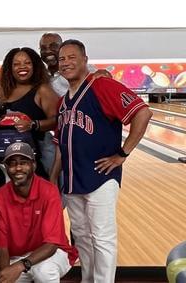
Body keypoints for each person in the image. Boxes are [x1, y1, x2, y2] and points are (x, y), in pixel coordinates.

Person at [50, 39, 152, 282]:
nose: (66, 63)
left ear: (85, 60)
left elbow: (143, 112)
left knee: (102, 238)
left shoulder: (103, 86)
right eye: (62, 59)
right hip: (73, 182)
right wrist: (54, 177)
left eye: (72, 57)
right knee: (83, 237)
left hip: (101, 178)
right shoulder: (63, 102)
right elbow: (60, 146)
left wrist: (122, 154)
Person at [0, 142, 77, 283]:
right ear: (6, 167)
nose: (18, 168)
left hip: (54, 253)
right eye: (12, 163)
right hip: (19, 257)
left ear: (33, 165)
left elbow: (51, 245)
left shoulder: (49, 191)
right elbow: (1, 246)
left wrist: (20, 266)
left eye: (24, 162)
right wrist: (5, 275)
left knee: (43, 271)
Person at [0, 47, 59, 178]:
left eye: (27, 63)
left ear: (35, 66)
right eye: (16, 64)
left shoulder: (42, 90)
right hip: (7, 156)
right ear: (9, 68)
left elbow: (58, 119)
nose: (22, 67)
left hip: (37, 157)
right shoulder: (6, 91)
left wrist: (33, 124)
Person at [39, 32, 111, 97]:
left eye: (53, 46)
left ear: (62, 48)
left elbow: (103, 78)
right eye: (43, 48)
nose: (47, 51)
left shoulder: (84, 69)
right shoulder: (40, 77)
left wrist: (103, 75)